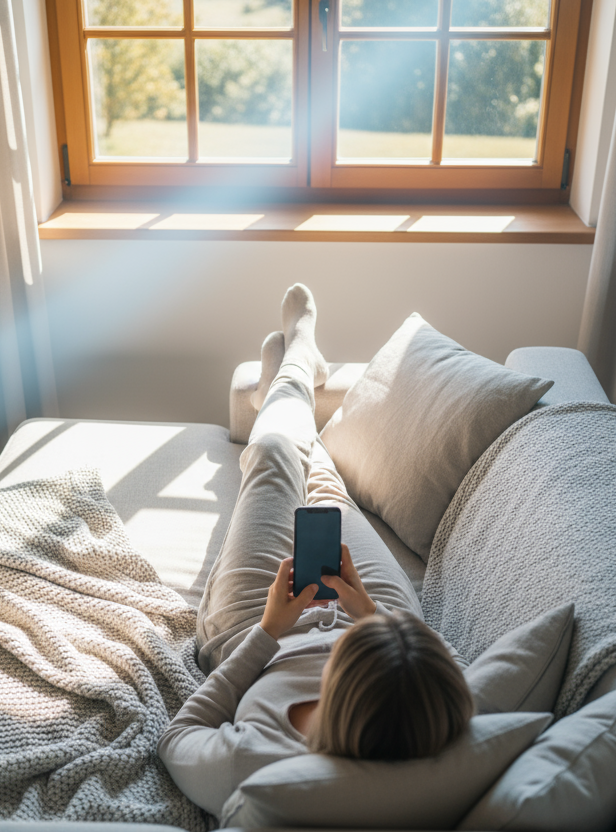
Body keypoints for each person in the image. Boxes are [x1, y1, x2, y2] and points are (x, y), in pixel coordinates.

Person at [157, 285, 473, 818]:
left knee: (275, 458)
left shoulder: (254, 766)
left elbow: (178, 737)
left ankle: (297, 370)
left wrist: (269, 633)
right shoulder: (438, 727)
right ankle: (283, 394)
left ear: (338, 687)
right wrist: (369, 618)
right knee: (328, 490)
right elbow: (454, 674)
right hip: (392, 637)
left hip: (249, 627)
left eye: (341, 653)